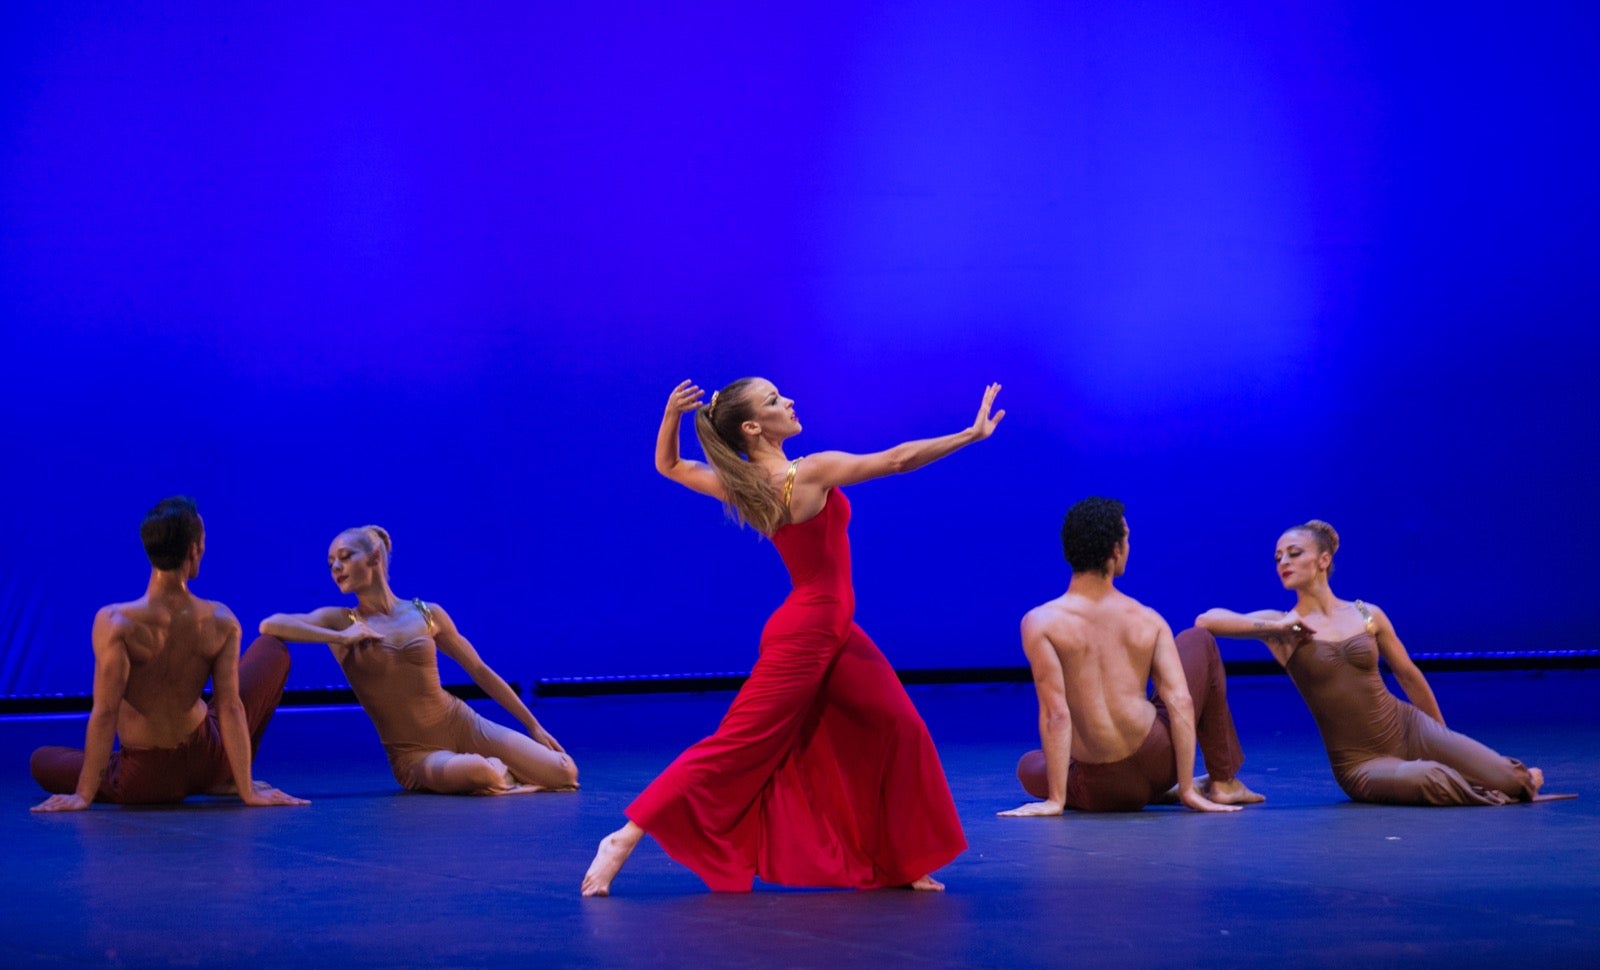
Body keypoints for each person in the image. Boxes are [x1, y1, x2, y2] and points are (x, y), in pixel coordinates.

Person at [580, 378, 1001, 896]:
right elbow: (895, 460)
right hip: (807, 635)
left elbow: (669, 465)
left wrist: (671, 417)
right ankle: (623, 837)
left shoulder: (747, 483)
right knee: (736, 746)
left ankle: (901, 861)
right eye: (775, 401)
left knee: (900, 727)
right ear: (752, 427)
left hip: (832, 630)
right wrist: (968, 435)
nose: (790, 402)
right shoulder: (809, 472)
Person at [1195, 520, 1552, 806]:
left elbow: (1408, 676)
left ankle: (1508, 780)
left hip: (1409, 728)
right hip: (1361, 763)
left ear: (1323, 560)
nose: (1283, 563)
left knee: (1511, 777)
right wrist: (1275, 627)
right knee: (1432, 778)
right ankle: (1472, 784)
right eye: (1277, 558)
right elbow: (1207, 620)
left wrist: (1444, 737)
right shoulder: (1283, 626)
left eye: (1294, 553)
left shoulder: (1367, 613)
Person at [31, 496, 306, 811]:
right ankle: (228, 778)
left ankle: (217, 777)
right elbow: (231, 707)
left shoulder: (115, 622)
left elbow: (106, 712)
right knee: (272, 649)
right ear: (194, 550)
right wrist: (248, 791)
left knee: (42, 759)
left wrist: (83, 794)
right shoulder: (221, 620)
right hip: (210, 760)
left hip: (145, 780)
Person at [259, 526, 577, 795]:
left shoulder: (426, 613)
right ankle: (497, 774)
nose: (336, 568)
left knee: (564, 771)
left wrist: (533, 726)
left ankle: (503, 775)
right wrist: (341, 637)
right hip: (416, 754)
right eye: (331, 563)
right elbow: (271, 624)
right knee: (480, 772)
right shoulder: (340, 620)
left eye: (345, 557)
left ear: (374, 557)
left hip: (462, 723)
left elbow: (479, 670)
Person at [1000, 497, 1262, 818]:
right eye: (1127, 538)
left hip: (1105, 790)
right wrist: (1187, 788)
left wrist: (1056, 800)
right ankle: (1223, 781)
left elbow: (1056, 714)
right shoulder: (1147, 618)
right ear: (1115, 550)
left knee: (1029, 765)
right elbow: (1180, 701)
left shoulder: (1040, 622)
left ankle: (1149, 789)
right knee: (1198, 639)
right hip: (1160, 761)